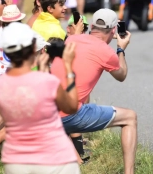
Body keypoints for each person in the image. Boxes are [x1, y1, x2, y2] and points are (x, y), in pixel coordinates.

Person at [51, 9, 137, 174]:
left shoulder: (69, 39)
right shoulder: (106, 52)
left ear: (91, 26)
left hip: (47, 112)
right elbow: (122, 75)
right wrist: (121, 49)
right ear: (113, 31)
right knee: (130, 118)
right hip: (69, 115)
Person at [0, 22, 80, 174]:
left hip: (16, 162)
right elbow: (72, 107)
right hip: (54, 159)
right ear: (33, 48)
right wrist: (69, 69)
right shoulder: (47, 82)